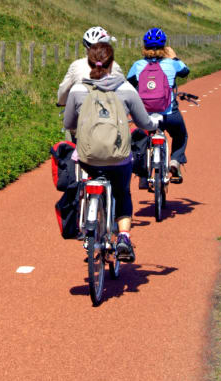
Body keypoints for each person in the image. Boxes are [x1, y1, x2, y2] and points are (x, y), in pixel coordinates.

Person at [64, 42, 158, 262]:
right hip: (119, 159)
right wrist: (153, 123)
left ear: (89, 63)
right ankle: (123, 236)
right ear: (112, 63)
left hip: (88, 158)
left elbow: (69, 123)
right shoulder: (126, 89)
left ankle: (87, 223)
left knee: (86, 180)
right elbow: (143, 121)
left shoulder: (78, 90)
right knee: (122, 192)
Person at [127, 28, 190, 184]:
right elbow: (185, 71)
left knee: (141, 137)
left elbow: (129, 83)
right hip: (169, 113)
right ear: (164, 47)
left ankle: (142, 172)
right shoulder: (172, 64)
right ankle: (175, 161)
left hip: (145, 114)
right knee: (181, 135)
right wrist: (174, 57)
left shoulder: (138, 65)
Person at [56, 26, 123, 106]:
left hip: (82, 112)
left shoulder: (76, 65)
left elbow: (63, 90)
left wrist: (61, 102)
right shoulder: (115, 66)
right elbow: (123, 90)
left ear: (87, 48)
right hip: (109, 112)